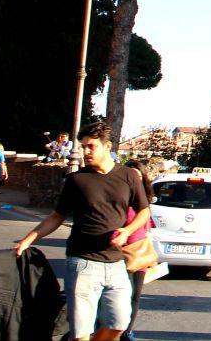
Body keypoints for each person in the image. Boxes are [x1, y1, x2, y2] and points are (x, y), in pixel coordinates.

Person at [14, 121, 150, 341]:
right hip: (82, 263)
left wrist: (127, 231)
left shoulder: (128, 176)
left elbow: (143, 211)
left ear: (107, 146)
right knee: (81, 334)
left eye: (91, 146)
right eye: (83, 146)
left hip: (116, 264)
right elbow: (56, 217)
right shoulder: (77, 180)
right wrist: (28, 240)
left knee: (119, 323)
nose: (85, 151)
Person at [120, 160, 156, 341]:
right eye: (130, 175)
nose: (134, 179)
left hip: (139, 256)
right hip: (119, 255)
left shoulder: (144, 202)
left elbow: (147, 227)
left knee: (135, 296)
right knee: (118, 296)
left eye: (138, 176)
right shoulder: (118, 199)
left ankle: (127, 332)